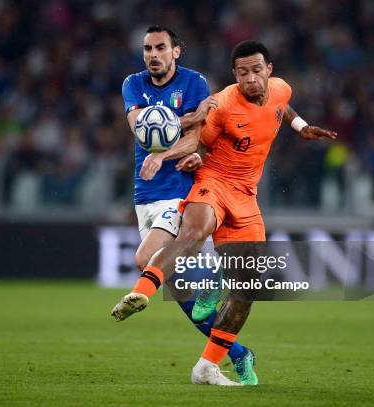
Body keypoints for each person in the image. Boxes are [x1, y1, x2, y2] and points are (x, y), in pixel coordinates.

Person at [132, 40, 337, 385]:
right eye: (243, 73)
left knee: (247, 288)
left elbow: (282, 106)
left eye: (257, 70)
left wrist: (301, 127)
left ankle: (207, 366)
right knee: (194, 232)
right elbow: (200, 139)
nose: (251, 79)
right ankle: (146, 291)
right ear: (234, 75)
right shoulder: (225, 104)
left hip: (247, 195)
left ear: (269, 70)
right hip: (214, 182)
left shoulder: (280, 88)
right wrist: (191, 156)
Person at [110, 26, 257, 385]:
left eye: (161, 47)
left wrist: (187, 136)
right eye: (148, 48)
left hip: (180, 191)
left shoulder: (194, 83)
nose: (153, 54)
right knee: (180, 294)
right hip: (145, 194)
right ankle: (237, 354)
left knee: (146, 260)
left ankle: (211, 280)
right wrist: (189, 118)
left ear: (176, 51)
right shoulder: (133, 83)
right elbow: (141, 128)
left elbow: (198, 134)